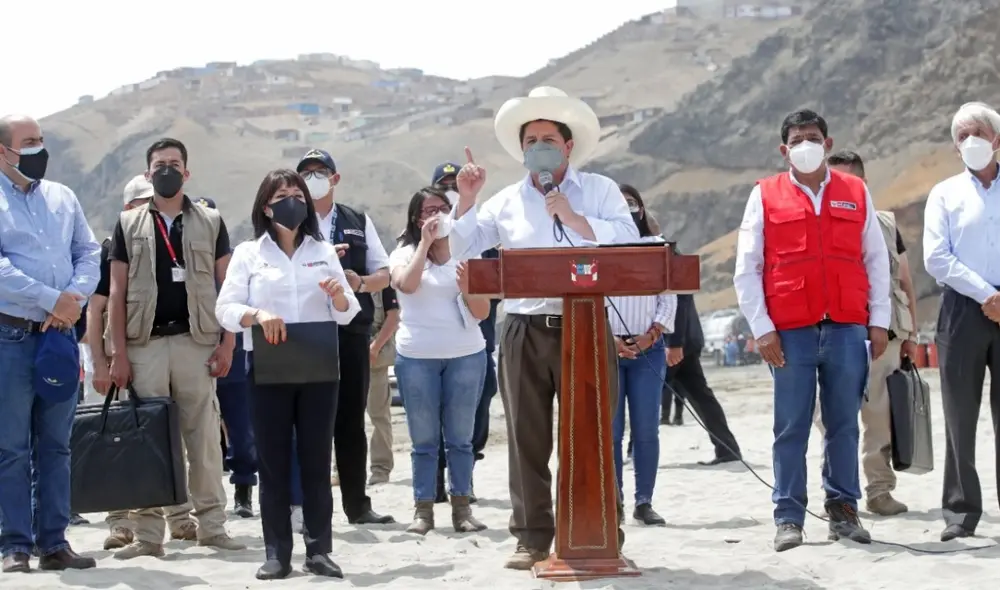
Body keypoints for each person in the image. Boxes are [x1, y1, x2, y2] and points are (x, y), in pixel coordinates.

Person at [449, 86, 639, 569]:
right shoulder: (505, 201)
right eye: (530, 139)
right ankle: (532, 535)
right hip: (523, 328)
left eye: (547, 138)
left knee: (596, 432)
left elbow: (632, 240)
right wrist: (466, 200)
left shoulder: (599, 190)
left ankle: (602, 527)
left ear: (568, 146)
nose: (538, 147)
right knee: (526, 437)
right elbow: (464, 249)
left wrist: (575, 219)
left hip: (587, 327)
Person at [733, 109, 891, 552]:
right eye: (797, 138)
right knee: (791, 427)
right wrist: (762, 329)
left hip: (845, 327)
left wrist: (878, 320)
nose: (806, 144)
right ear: (784, 149)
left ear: (827, 141)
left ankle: (843, 512)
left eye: (813, 136)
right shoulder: (764, 195)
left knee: (844, 425)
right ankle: (788, 518)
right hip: (790, 333)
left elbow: (876, 260)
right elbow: (747, 268)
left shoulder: (855, 191)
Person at [217, 168, 360, 580]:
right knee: (273, 463)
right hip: (268, 368)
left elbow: (348, 313)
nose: (293, 200)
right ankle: (277, 552)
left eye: (298, 193)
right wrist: (257, 315)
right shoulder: (249, 253)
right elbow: (224, 309)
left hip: (318, 368)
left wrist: (337, 295)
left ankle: (319, 551)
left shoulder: (322, 250)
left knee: (316, 461)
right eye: (283, 194)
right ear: (266, 205)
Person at [107, 138, 244, 559]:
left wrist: (228, 343)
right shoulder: (127, 225)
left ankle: (212, 526)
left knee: (202, 439)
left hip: (196, 342)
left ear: (187, 172)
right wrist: (119, 354)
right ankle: (149, 537)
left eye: (174, 164)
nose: (167, 170)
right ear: (149, 175)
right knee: (150, 441)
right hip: (145, 344)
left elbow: (230, 287)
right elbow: (116, 291)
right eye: (159, 164)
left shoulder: (211, 221)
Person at [0, 114, 101, 573]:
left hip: (59, 337)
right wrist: (50, 298)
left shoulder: (64, 197)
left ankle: (54, 541)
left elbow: (89, 251)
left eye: (41, 140)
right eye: (29, 142)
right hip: (12, 336)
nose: (40, 149)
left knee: (57, 445)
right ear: (4, 151)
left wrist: (73, 299)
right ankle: (14, 544)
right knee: (12, 447)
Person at [86, 174, 198, 547]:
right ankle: (119, 522)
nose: (147, 209)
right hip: (123, 355)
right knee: (121, 439)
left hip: (157, 349)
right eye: (140, 202)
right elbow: (97, 307)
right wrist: (101, 363)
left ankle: (180, 516)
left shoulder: (169, 243)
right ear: (126, 207)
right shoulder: (111, 248)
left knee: (167, 435)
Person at [814, 150, 918, 517]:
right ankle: (839, 494)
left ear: (863, 183)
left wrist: (911, 336)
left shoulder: (885, 224)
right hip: (833, 333)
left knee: (879, 419)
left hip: (883, 336)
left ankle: (879, 490)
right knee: (831, 420)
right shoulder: (816, 222)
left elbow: (903, 281)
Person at [296, 149, 394, 524]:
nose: (313, 177)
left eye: (320, 171)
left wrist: (360, 282)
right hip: (307, 332)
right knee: (309, 421)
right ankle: (311, 507)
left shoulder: (357, 220)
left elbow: (384, 274)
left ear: (335, 179)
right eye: (306, 172)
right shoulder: (292, 220)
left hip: (351, 330)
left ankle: (357, 505)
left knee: (350, 420)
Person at [390, 186, 490, 535]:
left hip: (466, 355)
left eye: (442, 209)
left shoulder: (468, 253)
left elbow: (481, 311)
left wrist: (466, 286)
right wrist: (423, 244)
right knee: (424, 439)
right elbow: (407, 285)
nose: (435, 216)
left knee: (461, 438)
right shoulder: (402, 253)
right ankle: (423, 510)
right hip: (417, 357)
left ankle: (462, 508)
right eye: (427, 211)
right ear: (416, 219)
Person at [923, 101, 1000, 542]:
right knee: (960, 413)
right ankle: (961, 510)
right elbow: (936, 257)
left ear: (996, 139)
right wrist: (986, 294)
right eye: (961, 135)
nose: (969, 141)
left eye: (977, 132)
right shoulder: (945, 193)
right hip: (962, 310)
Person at [607, 184, 676, 527]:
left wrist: (651, 335)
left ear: (641, 208)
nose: (628, 208)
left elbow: (669, 296)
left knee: (647, 429)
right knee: (612, 431)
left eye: (632, 202)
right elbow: (588, 293)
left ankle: (644, 501)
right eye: (620, 203)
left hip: (650, 351)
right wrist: (610, 338)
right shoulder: (598, 246)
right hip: (608, 351)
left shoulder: (657, 247)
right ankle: (615, 498)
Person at [432, 162, 501, 504]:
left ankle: (466, 470)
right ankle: (438, 477)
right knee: (438, 411)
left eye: (454, 185)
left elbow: (501, 285)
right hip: (436, 343)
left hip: (478, 341)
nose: (450, 192)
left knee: (480, 401)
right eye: (443, 186)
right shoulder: (422, 241)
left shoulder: (482, 237)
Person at [366, 284, 399, 485]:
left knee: (378, 414)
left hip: (375, 356)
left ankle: (381, 467)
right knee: (343, 416)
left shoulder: (382, 279)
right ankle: (340, 468)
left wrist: (375, 347)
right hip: (343, 353)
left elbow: (393, 317)